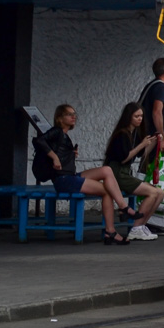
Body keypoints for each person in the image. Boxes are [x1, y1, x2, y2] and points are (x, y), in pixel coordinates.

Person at [32, 104, 139, 245]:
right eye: (69, 114)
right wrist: (54, 157)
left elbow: (61, 154)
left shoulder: (64, 136)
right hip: (63, 180)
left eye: (74, 113)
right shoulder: (57, 131)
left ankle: (119, 214)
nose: (73, 116)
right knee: (107, 191)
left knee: (106, 170)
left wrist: (70, 154)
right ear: (59, 118)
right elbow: (39, 140)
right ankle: (114, 225)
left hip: (70, 176)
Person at [104, 102, 164, 241]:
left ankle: (141, 225)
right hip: (117, 174)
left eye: (141, 116)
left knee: (160, 193)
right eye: (136, 116)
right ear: (128, 117)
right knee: (153, 192)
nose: (140, 119)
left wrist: (153, 142)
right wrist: (142, 145)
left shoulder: (133, 133)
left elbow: (141, 154)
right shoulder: (122, 134)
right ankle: (136, 228)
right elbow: (124, 158)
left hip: (124, 174)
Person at [137, 57, 164, 235]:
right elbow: (157, 112)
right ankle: (145, 221)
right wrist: (162, 138)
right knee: (152, 180)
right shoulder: (160, 88)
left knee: (150, 179)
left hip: (146, 141)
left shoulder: (151, 86)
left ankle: (147, 219)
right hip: (152, 143)